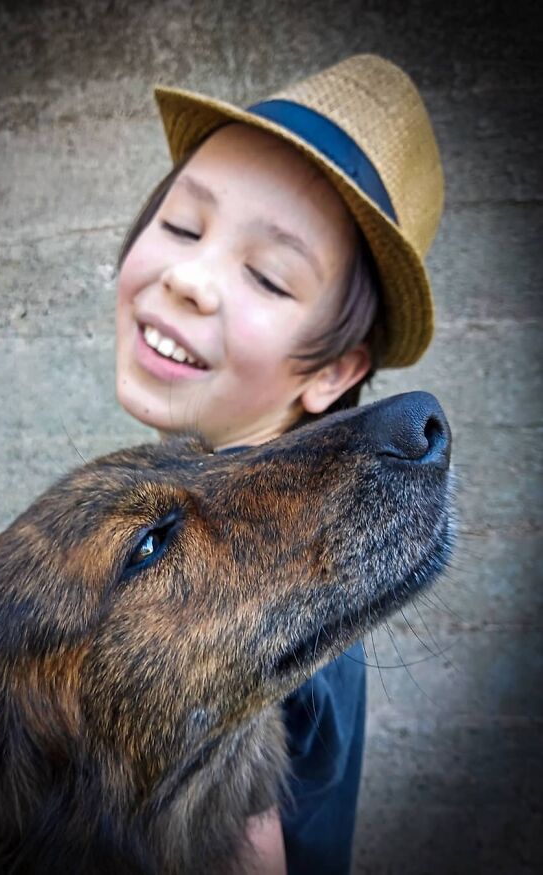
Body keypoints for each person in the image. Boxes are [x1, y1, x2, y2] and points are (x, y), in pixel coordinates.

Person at [113, 54, 444, 874]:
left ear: (334, 371)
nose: (190, 278)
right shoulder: (228, 514)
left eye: (267, 275)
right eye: (183, 226)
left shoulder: (254, 598)